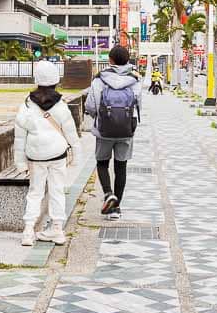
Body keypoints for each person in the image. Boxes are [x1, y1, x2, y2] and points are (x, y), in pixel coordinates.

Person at [13, 61, 83, 246]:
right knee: (57, 191)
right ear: (56, 80)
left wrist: (20, 163)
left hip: (35, 157)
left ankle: (28, 231)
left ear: (36, 80)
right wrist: (76, 154)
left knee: (35, 193)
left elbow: (19, 138)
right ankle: (57, 229)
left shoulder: (26, 106)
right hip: (57, 156)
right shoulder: (61, 106)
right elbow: (71, 133)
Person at [85, 45, 142, 220]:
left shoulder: (99, 80)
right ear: (127, 60)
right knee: (121, 166)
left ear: (110, 60)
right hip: (126, 130)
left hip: (104, 130)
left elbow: (90, 106)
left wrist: (101, 117)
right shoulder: (135, 80)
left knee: (102, 163)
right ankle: (116, 209)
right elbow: (138, 106)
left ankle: (109, 194)